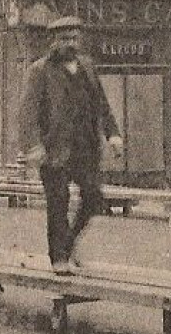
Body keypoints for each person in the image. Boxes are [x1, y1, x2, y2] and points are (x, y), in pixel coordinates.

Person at [19, 16, 123, 276]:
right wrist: (33, 146)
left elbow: (102, 105)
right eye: (64, 39)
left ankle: (69, 242)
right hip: (54, 149)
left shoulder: (87, 67)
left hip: (84, 146)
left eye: (74, 38)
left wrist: (113, 135)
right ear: (53, 41)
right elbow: (27, 113)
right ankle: (59, 258)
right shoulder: (39, 71)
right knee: (58, 201)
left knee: (93, 197)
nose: (70, 44)